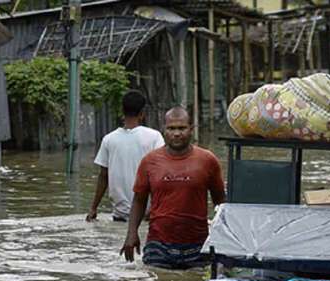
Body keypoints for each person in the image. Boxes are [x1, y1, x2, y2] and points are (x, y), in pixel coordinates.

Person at [120, 106, 226, 269]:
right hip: (158, 244)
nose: (176, 133)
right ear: (164, 130)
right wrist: (131, 233)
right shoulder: (150, 161)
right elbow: (139, 200)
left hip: (198, 245)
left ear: (191, 129)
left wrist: (225, 238)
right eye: (171, 128)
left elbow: (221, 201)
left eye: (182, 128)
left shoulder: (207, 160)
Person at [86, 90, 164, 222]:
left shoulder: (109, 139)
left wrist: (93, 208)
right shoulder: (154, 137)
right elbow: (162, 174)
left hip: (119, 216)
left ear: (122, 111)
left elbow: (103, 177)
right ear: (142, 114)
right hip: (147, 216)